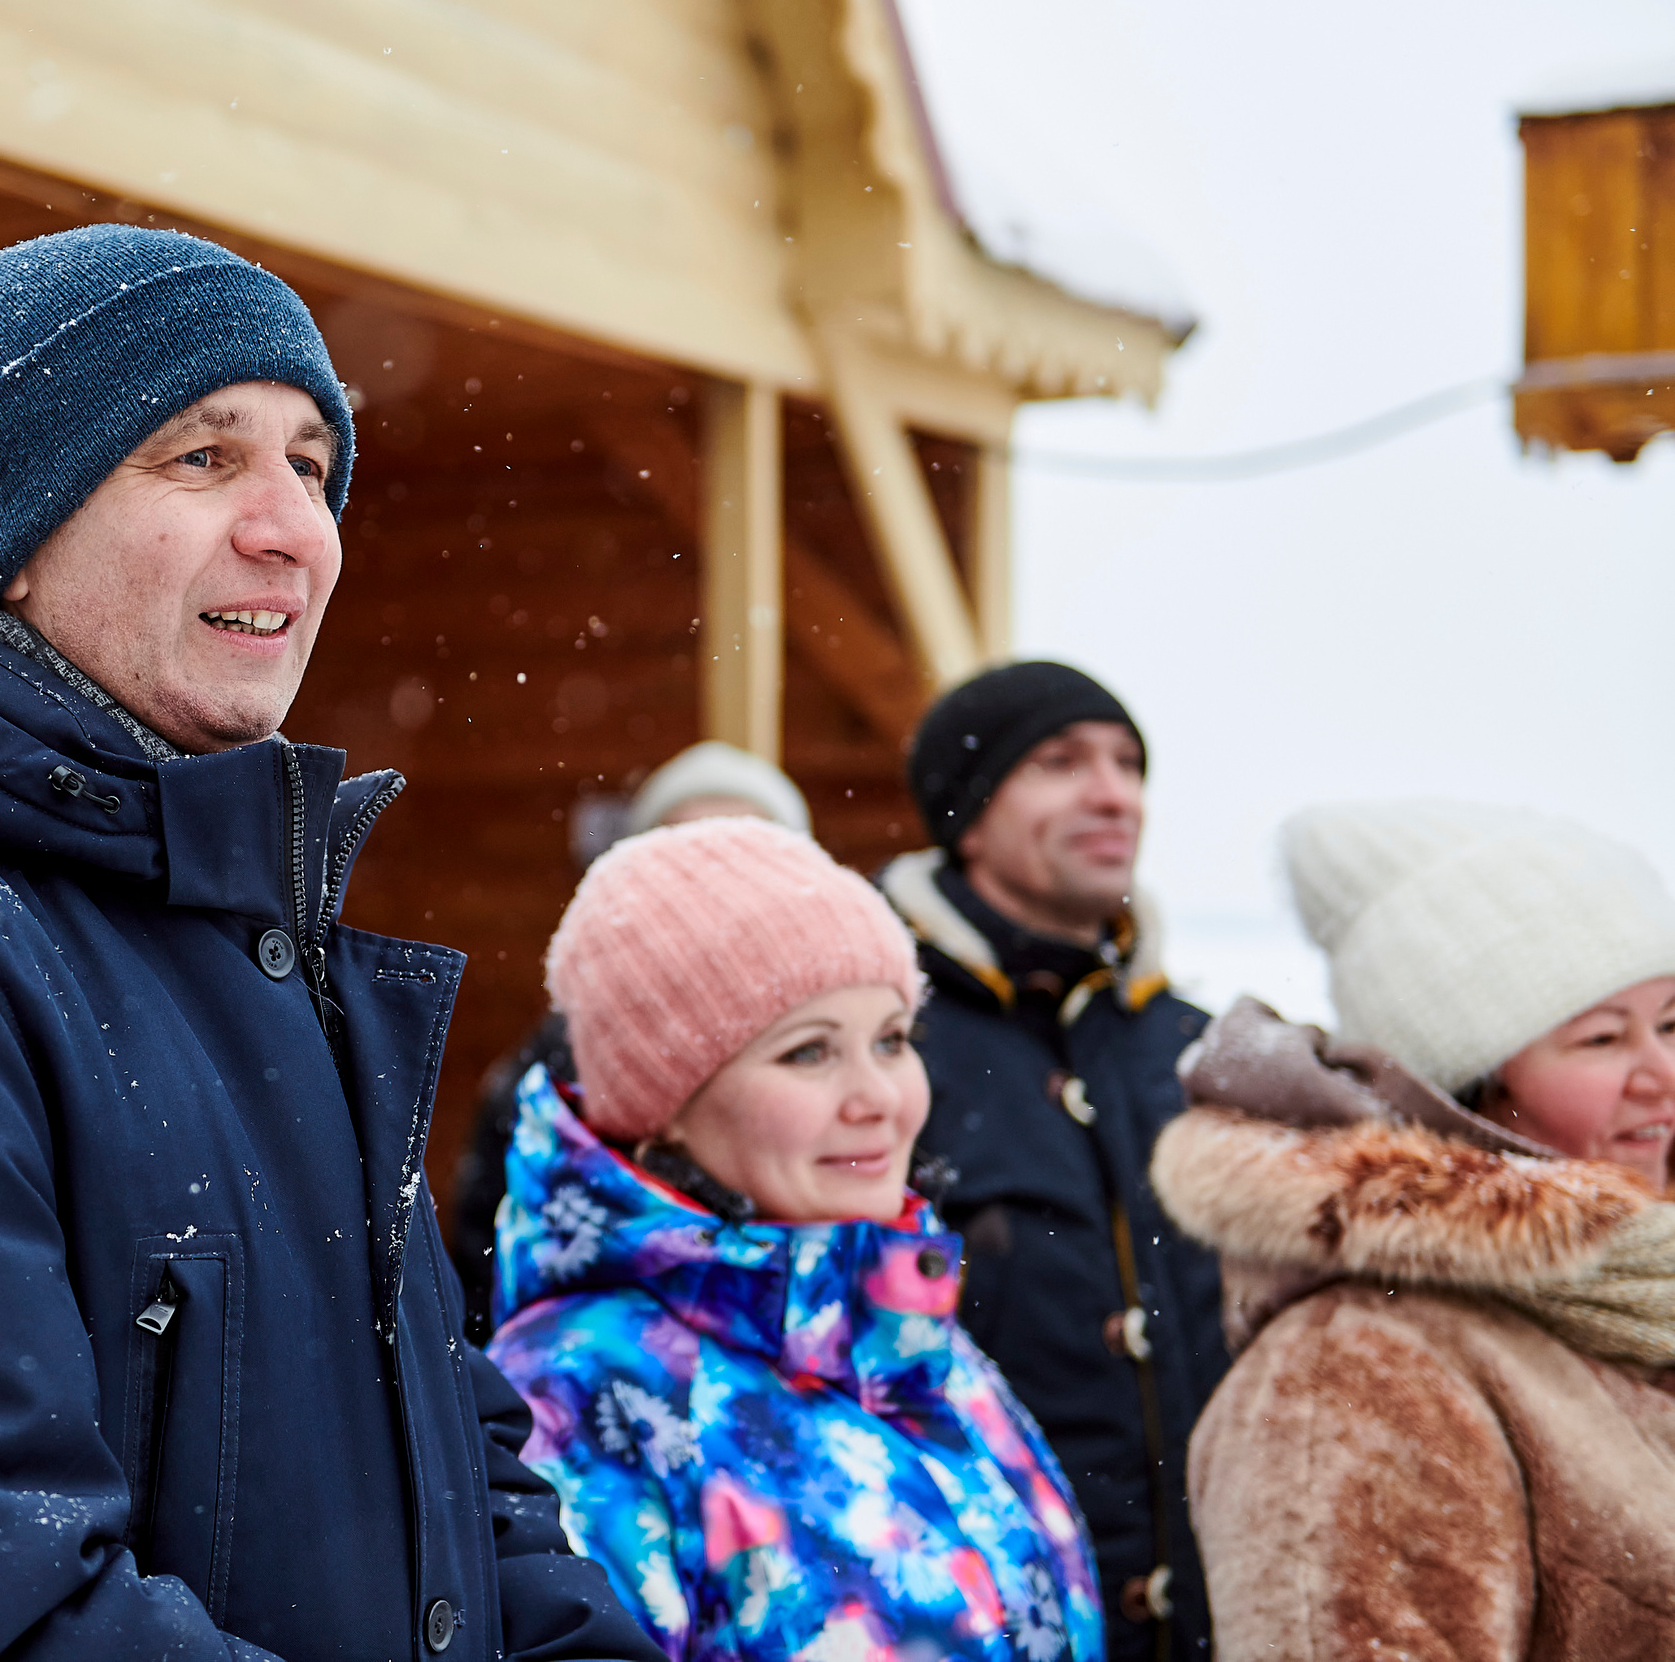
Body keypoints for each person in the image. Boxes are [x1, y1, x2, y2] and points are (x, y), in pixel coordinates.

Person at [0, 226, 658, 1662]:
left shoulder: (266, 956)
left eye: (312, 466)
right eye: (203, 457)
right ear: (13, 538)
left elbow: (460, 1482)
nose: (292, 527)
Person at [487, 818, 1103, 1660]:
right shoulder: (582, 1395)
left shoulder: (912, 1339)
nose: (879, 1095)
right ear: (665, 1098)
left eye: (891, 1039)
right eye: (810, 1052)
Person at [1155, 799, 1675, 1659]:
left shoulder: (1642, 1295)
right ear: (1468, 1089)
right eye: (1600, 1039)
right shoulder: (1353, 1370)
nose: (1659, 1072)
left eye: (1671, 1022)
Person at [877, 661, 1223, 1660]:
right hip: (977, 1619)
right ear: (970, 814)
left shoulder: (1200, 1052)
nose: (1113, 792)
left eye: (1126, 765)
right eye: (1060, 763)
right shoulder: (879, 1039)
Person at [448, 741, 813, 1339]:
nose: (720, 884)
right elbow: (493, 1263)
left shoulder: (851, 1039)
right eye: (688, 857)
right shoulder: (562, 1061)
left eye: (746, 855)